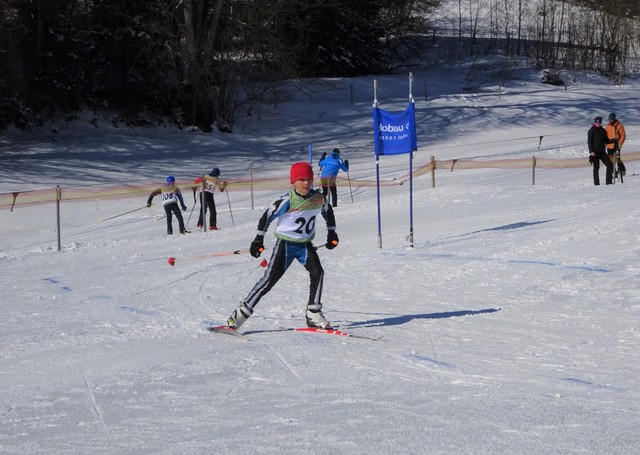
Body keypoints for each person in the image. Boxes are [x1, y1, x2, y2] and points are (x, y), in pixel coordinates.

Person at [225, 162, 339, 331]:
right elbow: (267, 216)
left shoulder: (318, 198)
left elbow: (328, 211)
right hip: (285, 245)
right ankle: (241, 313)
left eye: (308, 179)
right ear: (293, 182)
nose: (306, 183)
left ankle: (313, 313)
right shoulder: (287, 200)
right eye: (301, 180)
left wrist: (332, 233)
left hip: (304, 245)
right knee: (269, 281)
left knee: (318, 273)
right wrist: (258, 239)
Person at [588, 116, 613, 186]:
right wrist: (591, 151)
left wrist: (614, 140)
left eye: (599, 122)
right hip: (594, 153)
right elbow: (589, 142)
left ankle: (609, 182)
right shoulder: (591, 130)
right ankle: (596, 184)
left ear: (601, 122)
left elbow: (606, 140)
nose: (598, 123)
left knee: (610, 165)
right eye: (596, 121)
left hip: (602, 152)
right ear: (594, 122)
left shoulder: (603, 130)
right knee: (596, 167)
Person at [605, 112, 627, 177]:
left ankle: (622, 169)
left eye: (611, 119)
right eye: (609, 119)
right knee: (610, 160)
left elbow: (623, 135)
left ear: (614, 119)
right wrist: (605, 143)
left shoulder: (619, 125)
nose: (610, 121)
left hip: (616, 145)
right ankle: (614, 172)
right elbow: (606, 135)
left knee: (617, 158)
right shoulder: (608, 126)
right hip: (609, 145)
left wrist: (620, 143)